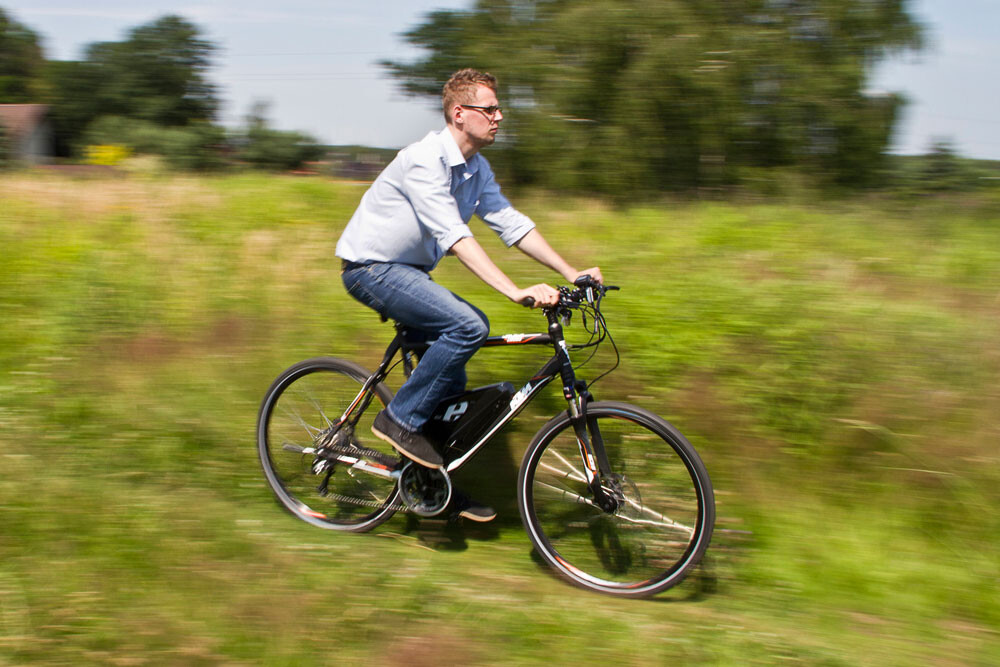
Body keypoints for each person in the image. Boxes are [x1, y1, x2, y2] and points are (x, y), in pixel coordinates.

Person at [336, 68, 601, 521]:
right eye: (490, 108)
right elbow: (455, 236)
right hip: (372, 268)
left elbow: (511, 225)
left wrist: (571, 271)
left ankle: (427, 482)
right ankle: (398, 420)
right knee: (468, 325)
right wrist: (514, 291)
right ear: (460, 114)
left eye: (499, 109)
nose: (500, 116)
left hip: (412, 272)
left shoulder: (477, 170)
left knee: (452, 394)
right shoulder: (424, 159)